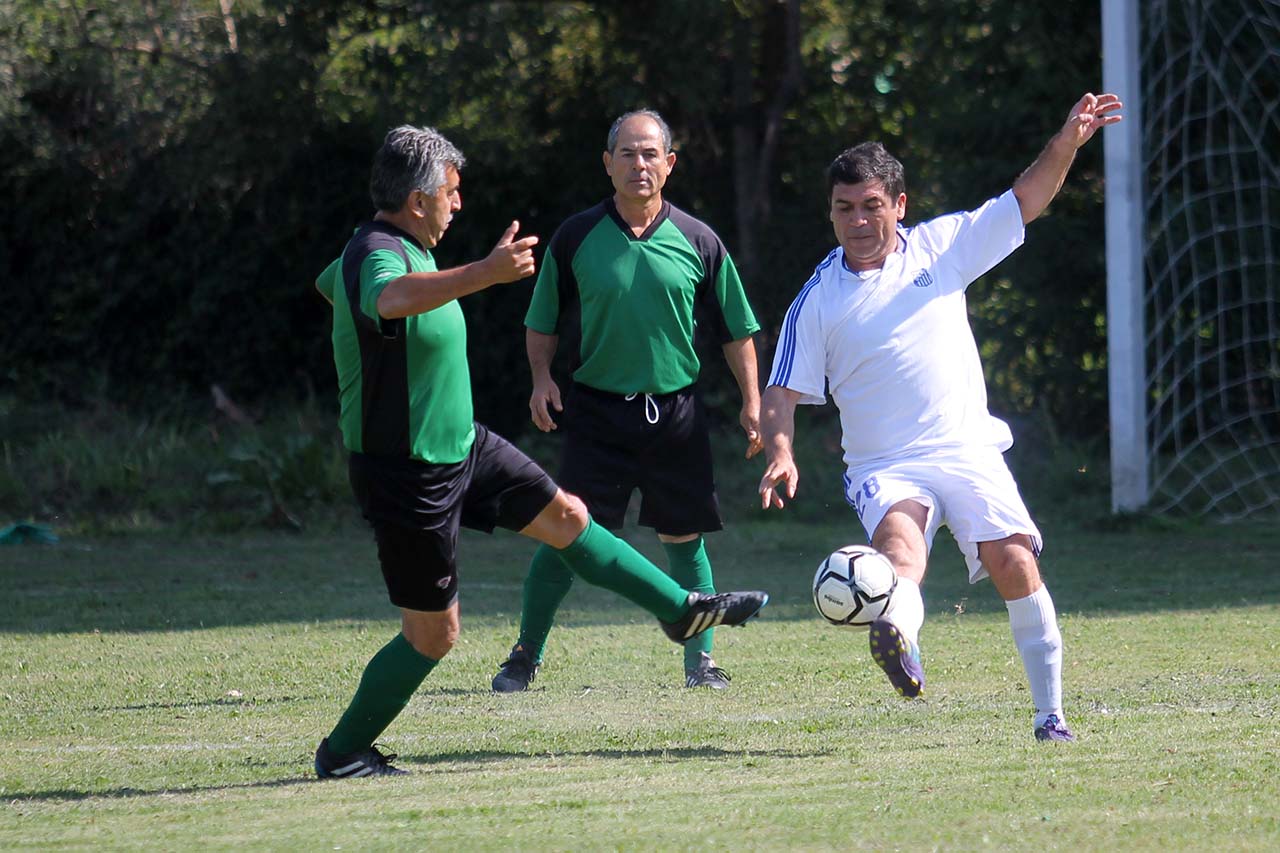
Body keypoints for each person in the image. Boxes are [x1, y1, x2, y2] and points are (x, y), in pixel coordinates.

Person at [311, 125, 768, 778]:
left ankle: (682, 611)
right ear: (417, 200)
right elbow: (383, 297)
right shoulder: (380, 253)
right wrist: (487, 274)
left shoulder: (390, 251)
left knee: (569, 518)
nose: (457, 203)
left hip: (462, 446)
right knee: (433, 636)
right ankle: (342, 751)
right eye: (451, 191)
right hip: (405, 471)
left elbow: (334, 287)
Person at [758, 93, 1123, 741]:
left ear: (900, 205)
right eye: (845, 208)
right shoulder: (816, 300)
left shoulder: (939, 247)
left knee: (1013, 559)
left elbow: (1026, 199)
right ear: (831, 213)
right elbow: (780, 391)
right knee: (899, 551)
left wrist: (1067, 138)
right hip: (885, 463)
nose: (859, 221)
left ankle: (1050, 715)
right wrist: (781, 452)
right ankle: (899, 635)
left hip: (967, 448)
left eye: (873, 205)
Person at [490, 109, 764, 692]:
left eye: (650, 154)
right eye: (627, 153)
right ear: (607, 163)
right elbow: (542, 320)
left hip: (678, 415)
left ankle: (701, 663)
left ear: (669, 164)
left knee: (684, 539)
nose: (639, 164)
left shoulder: (699, 239)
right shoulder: (576, 236)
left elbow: (736, 330)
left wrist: (751, 400)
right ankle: (524, 654)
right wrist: (542, 379)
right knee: (566, 533)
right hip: (597, 415)